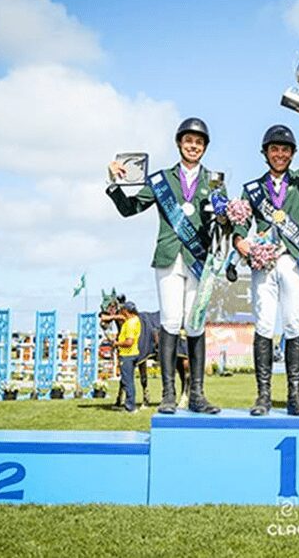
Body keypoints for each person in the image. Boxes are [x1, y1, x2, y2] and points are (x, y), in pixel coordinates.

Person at [106, 117, 222, 414]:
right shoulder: (160, 180)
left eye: (199, 142)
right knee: (170, 321)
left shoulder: (215, 180)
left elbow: (222, 223)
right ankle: (169, 395)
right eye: (188, 141)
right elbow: (130, 209)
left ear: (205, 147)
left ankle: (196, 394)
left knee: (195, 324)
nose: (193, 146)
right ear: (179, 143)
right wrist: (114, 183)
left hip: (198, 259)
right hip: (169, 257)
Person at [232, 101, 299, 416]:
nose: (280, 154)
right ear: (266, 152)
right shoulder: (253, 189)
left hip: (292, 260)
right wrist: (240, 241)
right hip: (263, 263)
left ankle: (294, 397)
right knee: (262, 323)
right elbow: (242, 223)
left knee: (292, 324)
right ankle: (262, 396)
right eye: (275, 149)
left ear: (291, 154)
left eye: (286, 150)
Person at [113, 302, 142, 413]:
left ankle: (130, 406)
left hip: (127, 355)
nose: (121, 312)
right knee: (129, 380)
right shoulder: (135, 320)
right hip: (133, 353)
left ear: (126, 311)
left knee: (127, 381)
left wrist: (117, 344)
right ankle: (129, 404)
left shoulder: (130, 324)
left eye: (122, 310)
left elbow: (129, 342)